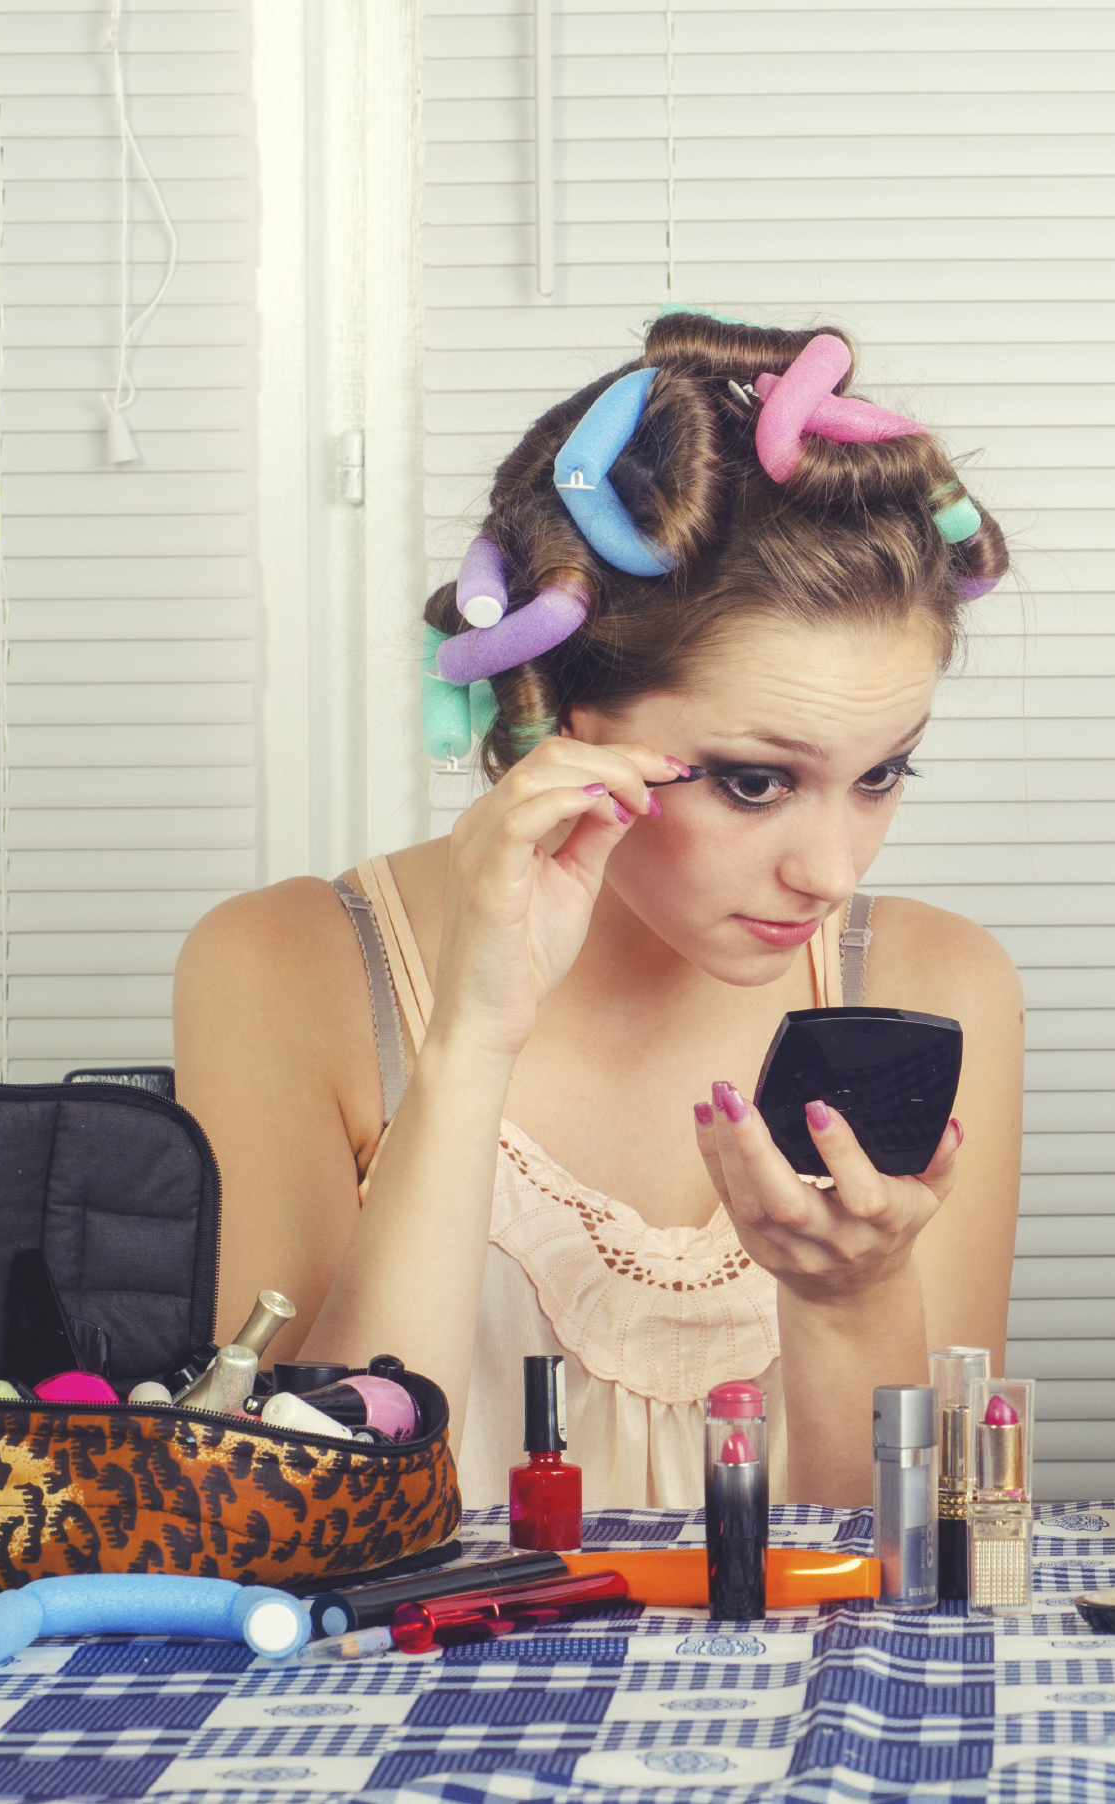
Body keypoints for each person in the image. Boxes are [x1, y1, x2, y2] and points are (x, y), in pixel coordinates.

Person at [175, 312, 1025, 1508]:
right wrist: (472, 1041)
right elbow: (308, 1510)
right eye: (753, 781)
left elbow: (912, 1570)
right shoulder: (285, 967)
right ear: (558, 729)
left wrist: (851, 1297)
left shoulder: (935, 987)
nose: (832, 871)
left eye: (882, 773)